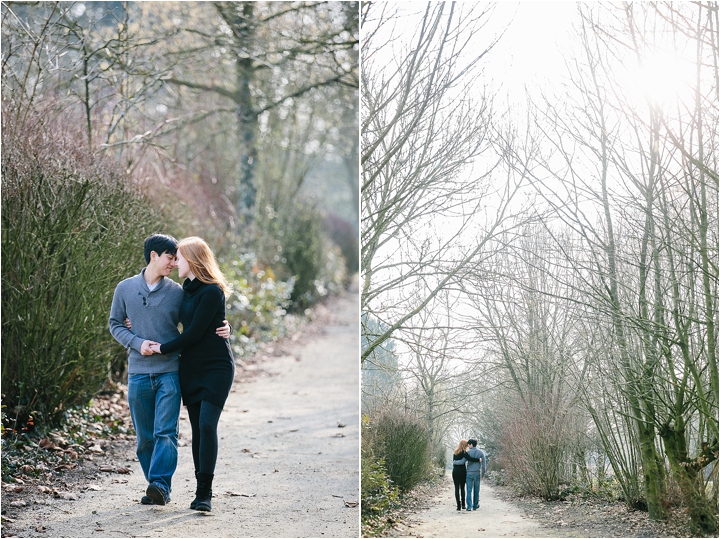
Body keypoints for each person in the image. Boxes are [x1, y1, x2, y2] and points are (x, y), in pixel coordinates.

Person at [109, 234, 230, 506]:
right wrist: (137, 342)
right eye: (170, 257)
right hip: (141, 371)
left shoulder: (177, 291)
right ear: (154, 255)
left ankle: (162, 486)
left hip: (171, 370)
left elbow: (202, 315)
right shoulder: (125, 289)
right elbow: (115, 324)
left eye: (178, 258)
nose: (175, 263)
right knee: (145, 439)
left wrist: (226, 326)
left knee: (168, 432)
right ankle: (155, 483)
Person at [144, 237, 235, 512]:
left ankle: (204, 493)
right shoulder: (186, 289)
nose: (175, 262)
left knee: (207, 425)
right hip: (191, 368)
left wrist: (162, 348)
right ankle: (199, 490)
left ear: (193, 260)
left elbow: (194, 332)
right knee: (197, 429)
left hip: (217, 367)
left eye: (179, 258)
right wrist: (131, 319)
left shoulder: (212, 291)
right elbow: (163, 311)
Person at [451, 440, 480, 511]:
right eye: (466, 445)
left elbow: (454, 462)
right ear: (464, 445)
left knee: (456, 488)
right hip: (462, 472)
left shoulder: (455, 452)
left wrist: (455, 462)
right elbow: (470, 459)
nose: (467, 446)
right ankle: (463, 505)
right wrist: (478, 460)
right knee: (462, 488)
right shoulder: (464, 453)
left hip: (455, 472)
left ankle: (458, 506)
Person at [465, 439, 486, 511]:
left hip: (469, 473)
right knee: (476, 490)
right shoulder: (481, 453)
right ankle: (475, 505)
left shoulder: (468, 453)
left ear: (471, 444)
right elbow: (483, 465)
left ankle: (469, 506)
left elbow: (464, 462)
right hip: (477, 473)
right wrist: (483, 474)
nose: (468, 446)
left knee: (468, 490)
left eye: (469, 444)